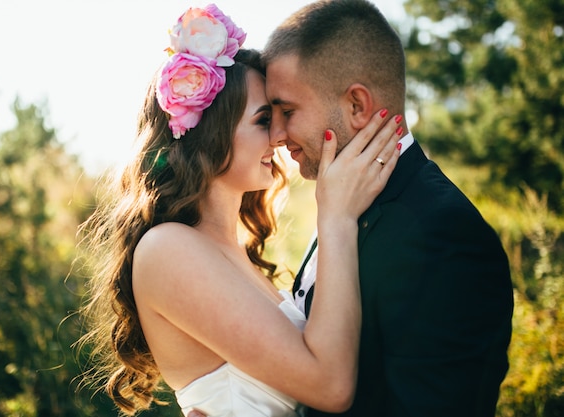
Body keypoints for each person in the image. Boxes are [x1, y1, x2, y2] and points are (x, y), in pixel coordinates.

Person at [77, 4, 403, 417]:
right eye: (265, 119)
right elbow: (331, 387)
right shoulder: (167, 249)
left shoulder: (235, 255)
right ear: (213, 131)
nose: (280, 136)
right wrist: (336, 218)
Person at [260, 0, 515, 416]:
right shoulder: (343, 199)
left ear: (357, 106)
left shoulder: (445, 235)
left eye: (287, 111)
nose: (276, 134)